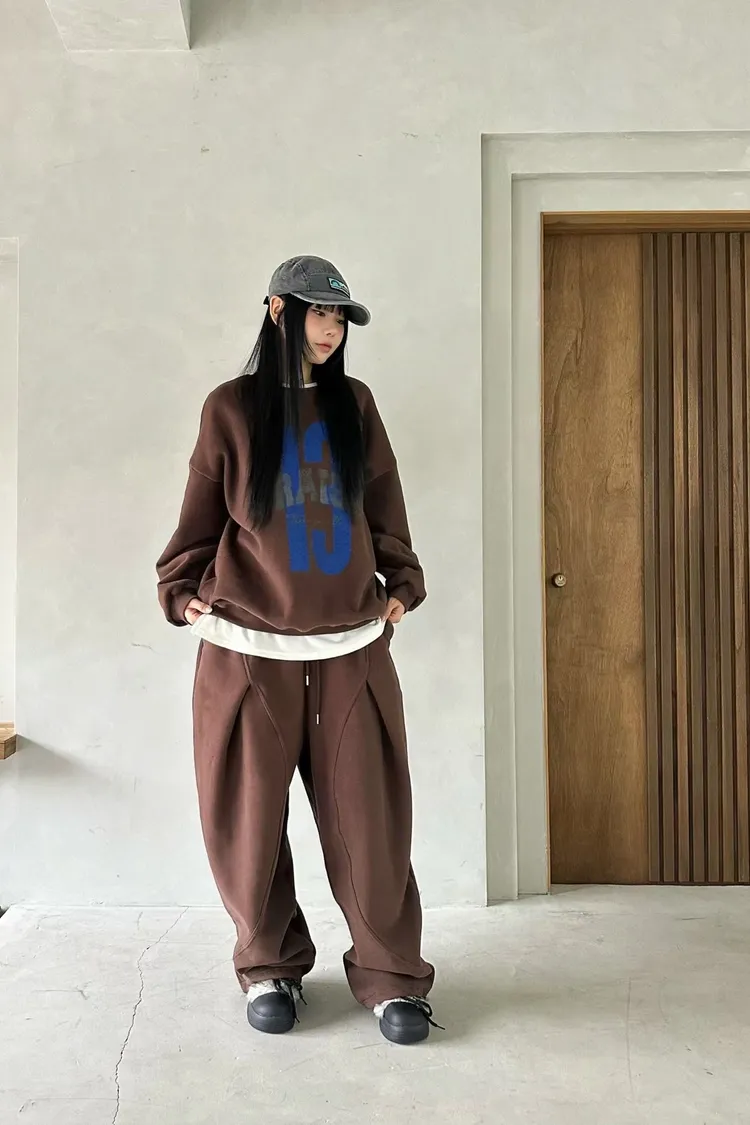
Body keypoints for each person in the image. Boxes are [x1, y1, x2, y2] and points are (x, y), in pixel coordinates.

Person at [156, 255, 439, 1045]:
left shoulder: (355, 403)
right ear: (278, 310)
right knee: (248, 819)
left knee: (371, 819)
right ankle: (268, 965)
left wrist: (403, 580)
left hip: (351, 643)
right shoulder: (231, 408)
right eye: (318, 311)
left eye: (340, 317)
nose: (331, 328)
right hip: (246, 643)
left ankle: (391, 977)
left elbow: (383, 500)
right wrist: (181, 590)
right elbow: (199, 518)